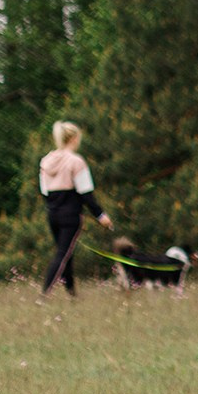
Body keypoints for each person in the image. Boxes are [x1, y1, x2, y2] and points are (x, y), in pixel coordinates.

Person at [36, 121, 113, 297]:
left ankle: (72, 295)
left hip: (52, 215)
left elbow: (44, 192)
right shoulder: (76, 161)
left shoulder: (45, 161)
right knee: (63, 254)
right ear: (74, 138)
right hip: (70, 216)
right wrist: (101, 216)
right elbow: (86, 194)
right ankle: (44, 295)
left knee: (66, 254)